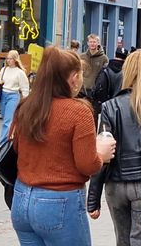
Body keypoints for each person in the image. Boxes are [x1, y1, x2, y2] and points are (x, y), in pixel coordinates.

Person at [10, 47, 116, 245]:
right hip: (59, 200)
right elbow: (87, 165)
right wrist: (101, 154)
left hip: (22, 197)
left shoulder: (25, 106)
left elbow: (16, 149)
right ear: (74, 77)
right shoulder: (78, 111)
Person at [87, 49, 141, 245]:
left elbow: (103, 152)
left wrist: (93, 197)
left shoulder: (110, 106)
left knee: (122, 241)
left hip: (116, 185)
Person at [0, 50, 30, 148]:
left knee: (8, 120)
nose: (8, 61)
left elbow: (24, 88)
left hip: (13, 95)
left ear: (15, 60)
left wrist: (25, 100)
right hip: (3, 94)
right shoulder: (4, 70)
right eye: (7, 59)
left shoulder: (20, 73)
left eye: (10, 59)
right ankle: (11, 138)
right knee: (5, 118)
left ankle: (2, 142)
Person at [91, 48, 129, 125]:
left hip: (105, 106)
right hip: (122, 107)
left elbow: (98, 88)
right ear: (126, 58)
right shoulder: (127, 72)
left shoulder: (105, 69)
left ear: (115, 55)